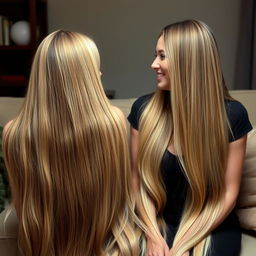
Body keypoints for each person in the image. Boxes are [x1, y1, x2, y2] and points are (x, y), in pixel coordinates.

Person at [3, 30, 140, 256]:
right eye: (93, 67)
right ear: (83, 75)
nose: (100, 72)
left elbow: (22, 208)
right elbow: (118, 197)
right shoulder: (113, 121)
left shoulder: (14, 132)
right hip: (104, 245)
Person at [128, 20, 252, 256]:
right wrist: (152, 236)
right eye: (156, 55)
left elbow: (228, 193)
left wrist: (185, 242)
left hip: (209, 225)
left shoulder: (232, 116)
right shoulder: (143, 110)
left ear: (187, 62)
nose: (153, 64)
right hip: (156, 222)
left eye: (162, 56)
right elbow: (137, 182)